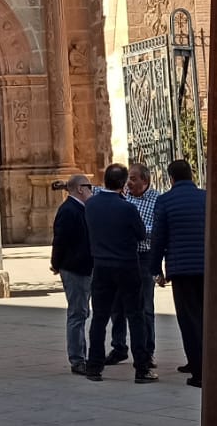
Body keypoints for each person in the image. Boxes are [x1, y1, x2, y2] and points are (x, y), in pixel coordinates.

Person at [83, 163, 156, 382]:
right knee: (135, 316)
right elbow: (141, 234)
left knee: (100, 317)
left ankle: (94, 366)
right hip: (126, 265)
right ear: (123, 184)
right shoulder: (127, 208)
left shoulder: (91, 205)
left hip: (101, 266)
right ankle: (142, 368)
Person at [151, 157, 207, 387]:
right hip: (207, 268)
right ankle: (204, 362)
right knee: (207, 317)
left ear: (170, 178)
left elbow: (158, 238)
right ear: (192, 175)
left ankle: (198, 370)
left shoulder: (165, 201)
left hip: (181, 269)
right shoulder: (206, 198)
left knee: (189, 319)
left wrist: (156, 269)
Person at [49, 173, 95, 374]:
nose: (92, 191)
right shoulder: (69, 210)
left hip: (84, 266)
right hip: (75, 268)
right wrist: (56, 263)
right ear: (79, 189)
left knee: (82, 311)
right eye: (89, 187)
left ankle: (83, 355)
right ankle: (77, 359)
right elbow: (60, 240)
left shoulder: (81, 208)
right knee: (77, 313)